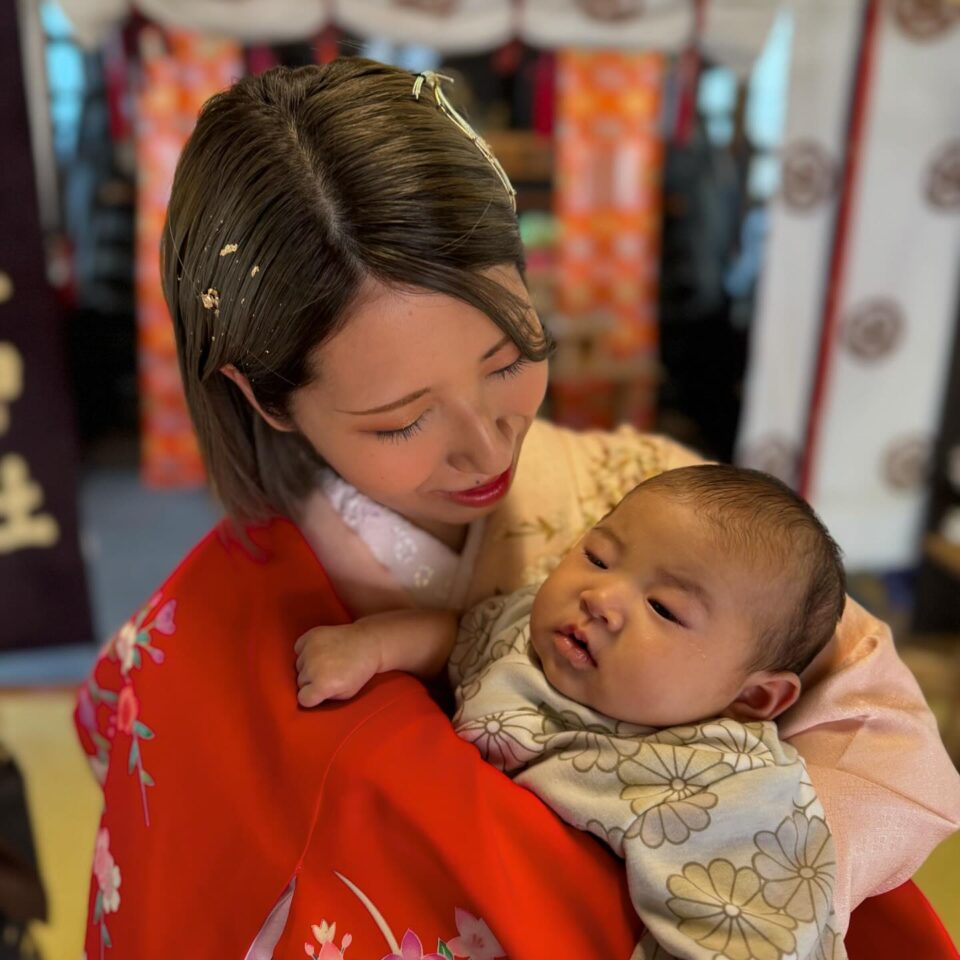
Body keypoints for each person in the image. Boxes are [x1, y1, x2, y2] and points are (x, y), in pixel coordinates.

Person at [74, 59, 960, 960]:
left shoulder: (651, 505)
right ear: (265, 399)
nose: (487, 446)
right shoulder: (207, 632)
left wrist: (730, 889)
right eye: (404, 420)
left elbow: (886, 745)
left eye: (509, 359)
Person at [295, 464, 850, 959]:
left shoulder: (728, 785)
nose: (600, 597)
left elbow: (764, 937)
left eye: (663, 608)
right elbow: (462, 636)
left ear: (751, 699)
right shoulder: (529, 634)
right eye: (598, 556)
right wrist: (371, 646)